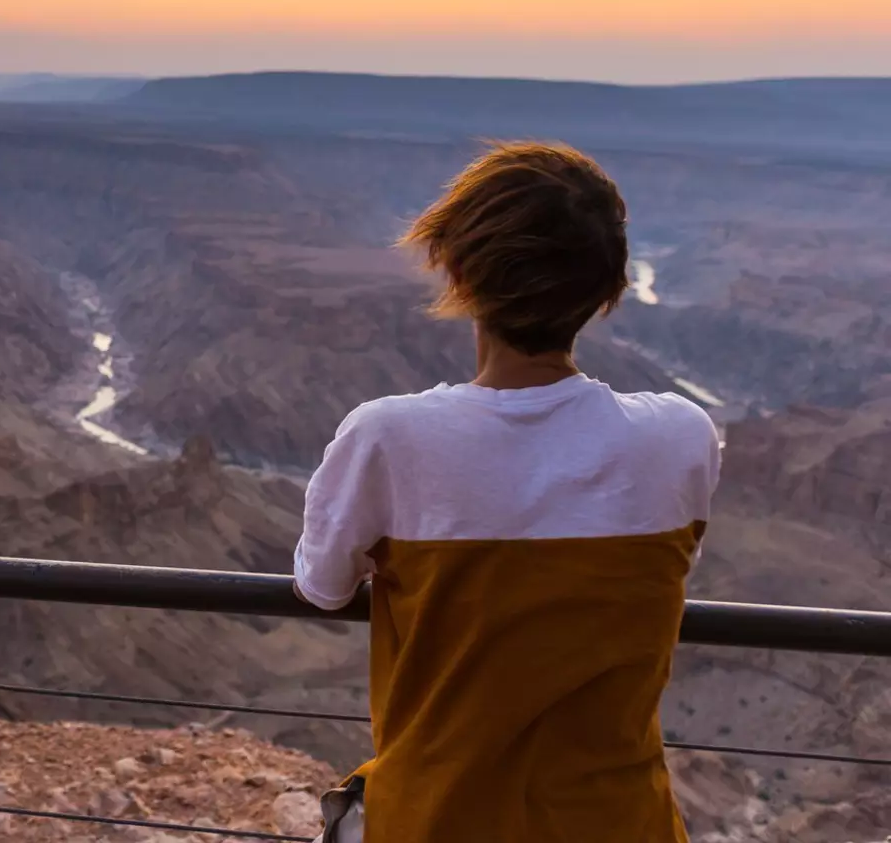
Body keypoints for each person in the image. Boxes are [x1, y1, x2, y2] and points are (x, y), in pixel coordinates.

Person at [293, 142, 721, 841]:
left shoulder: (389, 438)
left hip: (435, 821)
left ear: (459, 273)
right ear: (608, 288)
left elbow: (323, 585)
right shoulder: (681, 437)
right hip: (621, 824)